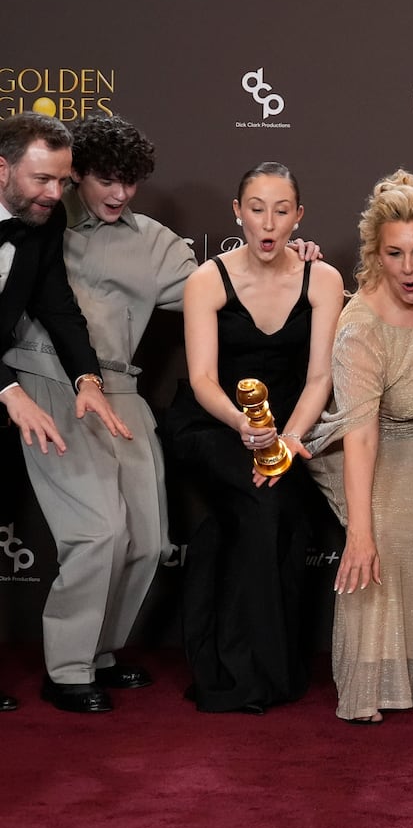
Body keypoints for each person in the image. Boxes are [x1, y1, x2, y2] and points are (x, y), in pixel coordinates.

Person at [2, 115, 196, 713]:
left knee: (147, 537)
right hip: (36, 379)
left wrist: (291, 260)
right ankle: (66, 668)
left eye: (130, 182)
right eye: (105, 179)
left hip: (117, 388)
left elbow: (222, 292)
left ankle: (99, 652)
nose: (118, 193)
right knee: (98, 529)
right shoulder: (43, 223)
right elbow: (51, 316)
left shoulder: (152, 241)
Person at [163, 162, 344, 714]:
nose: (268, 223)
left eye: (282, 210)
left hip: (287, 427)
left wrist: (285, 440)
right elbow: (201, 380)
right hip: (212, 425)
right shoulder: (207, 280)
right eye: (257, 209)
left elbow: (320, 378)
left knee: (270, 509)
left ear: (299, 217)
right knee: (260, 502)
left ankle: (253, 667)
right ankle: (247, 675)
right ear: (237, 212)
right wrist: (244, 426)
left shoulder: (324, 280)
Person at [305, 170, 413, 724]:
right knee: (381, 543)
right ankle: (369, 683)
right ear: (376, 255)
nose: (409, 268)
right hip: (370, 440)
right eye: (395, 254)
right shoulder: (361, 328)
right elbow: (361, 434)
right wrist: (359, 531)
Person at [0, 112, 131, 713]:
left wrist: (86, 378)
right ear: (2, 168)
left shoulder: (42, 224)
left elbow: (57, 305)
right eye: (41, 179)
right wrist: (8, 390)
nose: (56, 194)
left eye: (61, 180)